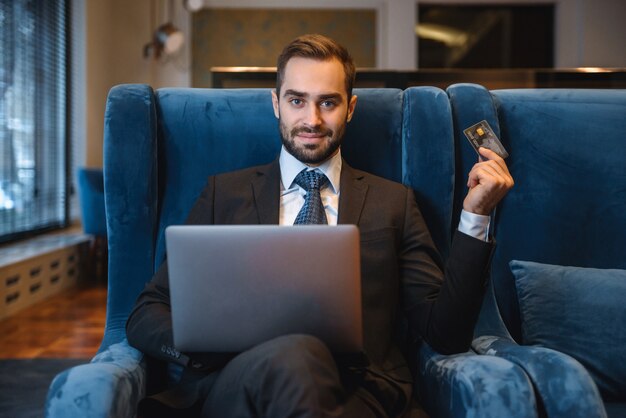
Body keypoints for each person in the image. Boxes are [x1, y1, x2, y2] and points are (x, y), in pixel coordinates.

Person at [126, 34, 514, 418]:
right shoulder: (222, 194)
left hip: (359, 388)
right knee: (295, 356)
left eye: (328, 102)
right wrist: (206, 349)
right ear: (276, 104)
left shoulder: (394, 202)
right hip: (239, 380)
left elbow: (444, 332)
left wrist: (476, 216)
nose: (311, 120)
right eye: (297, 100)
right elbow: (147, 313)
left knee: (304, 365)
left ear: (350, 108)